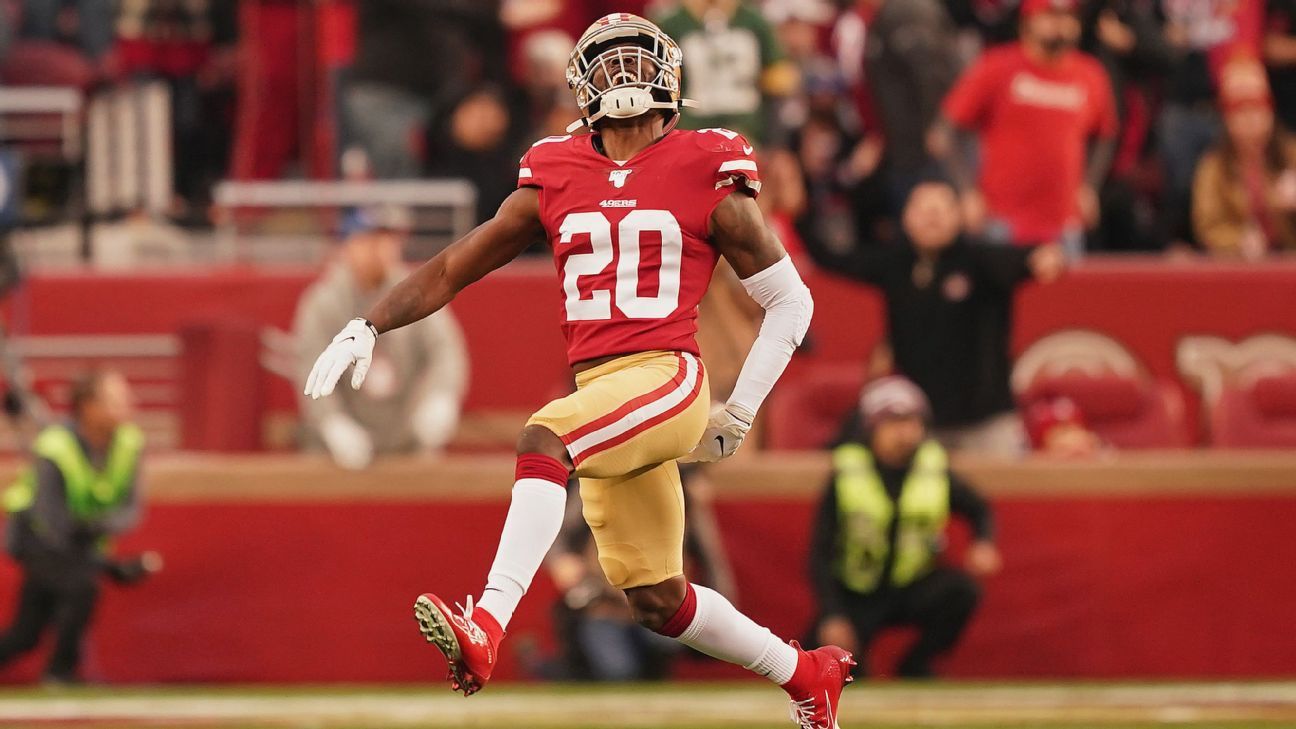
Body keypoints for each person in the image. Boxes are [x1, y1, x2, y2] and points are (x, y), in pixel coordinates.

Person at [304, 14, 852, 727]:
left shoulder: (705, 162)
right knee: (658, 597)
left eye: (636, 63)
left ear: (670, 79)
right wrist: (368, 321)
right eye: (609, 64)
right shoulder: (555, 169)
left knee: (544, 436)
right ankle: (808, 674)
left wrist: (741, 407)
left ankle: (487, 627)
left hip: (667, 376)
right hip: (603, 389)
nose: (623, 78)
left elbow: (791, 299)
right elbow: (453, 264)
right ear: (580, 83)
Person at [805, 179, 1065, 455]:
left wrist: (1045, 258)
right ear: (906, 218)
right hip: (922, 428)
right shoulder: (895, 265)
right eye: (923, 210)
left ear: (958, 217)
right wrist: (801, 213)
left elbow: (1031, 258)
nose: (932, 217)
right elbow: (831, 258)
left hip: (987, 425)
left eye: (941, 210)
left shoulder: (980, 261)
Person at [810, 376, 1000, 679]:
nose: (905, 433)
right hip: (858, 592)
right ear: (872, 427)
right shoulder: (847, 472)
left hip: (914, 584)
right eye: (894, 423)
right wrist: (833, 613)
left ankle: (917, 663)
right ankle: (858, 662)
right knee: (826, 665)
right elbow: (820, 551)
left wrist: (984, 542)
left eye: (912, 422)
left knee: (962, 592)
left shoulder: (933, 467)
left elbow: (978, 507)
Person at [0, 369, 160, 684]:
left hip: (81, 544)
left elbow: (131, 510)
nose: (129, 405)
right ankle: (60, 671)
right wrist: (103, 564)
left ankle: (57, 669)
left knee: (26, 633)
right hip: (36, 539)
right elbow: (50, 519)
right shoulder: (55, 445)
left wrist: (96, 535)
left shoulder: (128, 443)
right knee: (82, 587)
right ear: (88, 406)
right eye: (116, 400)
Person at [929, 0, 1119, 257]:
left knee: (1065, 296)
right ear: (1027, 22)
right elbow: (943, 134)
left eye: (1068, 18)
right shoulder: (997, 67)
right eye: (1050, 16)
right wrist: (967, 192)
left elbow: (1106, 135)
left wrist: (1089, 186)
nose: (1060, 26)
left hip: (1064, 224)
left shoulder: (1090, 74)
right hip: (1001, 220)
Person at [294, 206, 468, 469]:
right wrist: (332, 423)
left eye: (386, 240)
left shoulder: (417, 293)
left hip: (408, 445)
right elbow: (309, 366)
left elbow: (444, 351)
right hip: (339, 456)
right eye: (369, 240)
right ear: (347, 246)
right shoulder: (324, 303)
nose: (380, 249)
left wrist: (440, 397)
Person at [1192, 55, 1296, 257]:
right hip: (1239, 270)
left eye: (1259, 109)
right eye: (1241, 111)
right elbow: (1207, 226)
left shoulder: (1291, 153)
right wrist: (1237, 241)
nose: (1252, 120)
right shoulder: (1213, 167)